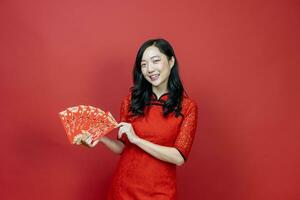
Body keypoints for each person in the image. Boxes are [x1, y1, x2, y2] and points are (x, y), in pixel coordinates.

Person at [80, 38, 198, 199]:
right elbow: (123, 147)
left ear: (171, 62)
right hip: (123, 189)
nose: (150, 69)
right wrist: (101, 138)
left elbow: (178, 157)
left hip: (160, 191)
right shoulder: (131, 100)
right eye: (143, 64)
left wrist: (137, 140)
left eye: (155, 61)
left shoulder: (187, 107)